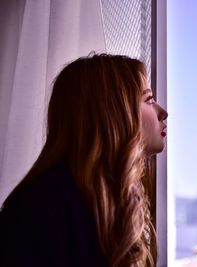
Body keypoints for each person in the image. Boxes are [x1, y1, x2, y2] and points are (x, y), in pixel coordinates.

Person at [0, 54, 168, 267]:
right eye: (149, 100)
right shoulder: (40, 209)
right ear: (111, 111)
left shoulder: (113, 202)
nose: (163, 112)